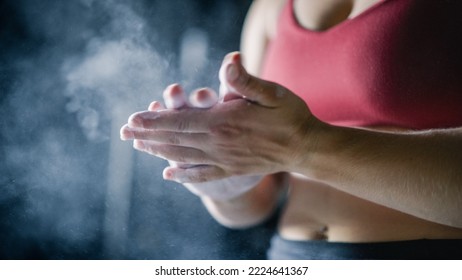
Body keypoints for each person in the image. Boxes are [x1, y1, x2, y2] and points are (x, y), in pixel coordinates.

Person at [120, 0, 462, 259]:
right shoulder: (270, 8)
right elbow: (262, 198)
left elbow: (294, 147)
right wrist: (225, 183)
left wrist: (303, 146)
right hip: (290, 256)